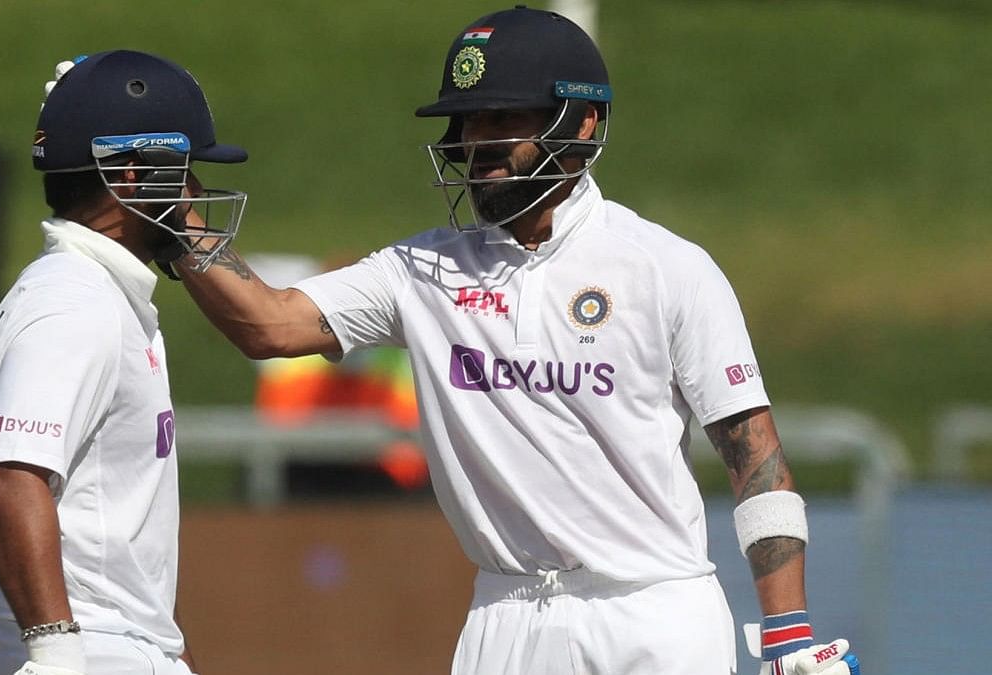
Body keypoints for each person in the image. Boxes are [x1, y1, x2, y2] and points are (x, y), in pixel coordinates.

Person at [167, 7, 859, 675]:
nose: (478, 142)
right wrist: (176, 214)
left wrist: (788, 635)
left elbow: (755, 457)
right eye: (468, 121)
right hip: (504, 616)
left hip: (651, 612)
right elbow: (269, 323)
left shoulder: (665, 266)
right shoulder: (422, 270)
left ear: (583, 121)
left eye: (504, 118)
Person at [0, 49, 247, 675]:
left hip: (98, 639)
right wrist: (55, 656)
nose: (194, 199)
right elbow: (12, 476)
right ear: (135, 175)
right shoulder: (74, 301)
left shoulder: (85, 293)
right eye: (185, 172)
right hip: (77, 645)